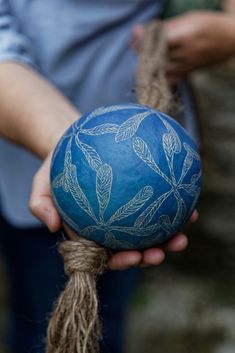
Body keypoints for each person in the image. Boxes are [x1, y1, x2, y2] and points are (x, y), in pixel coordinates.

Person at [0, 0, 234, 352]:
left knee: (111, 314)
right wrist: (71, 147)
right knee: (39, 313)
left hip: (148, 150)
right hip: (33, 158)